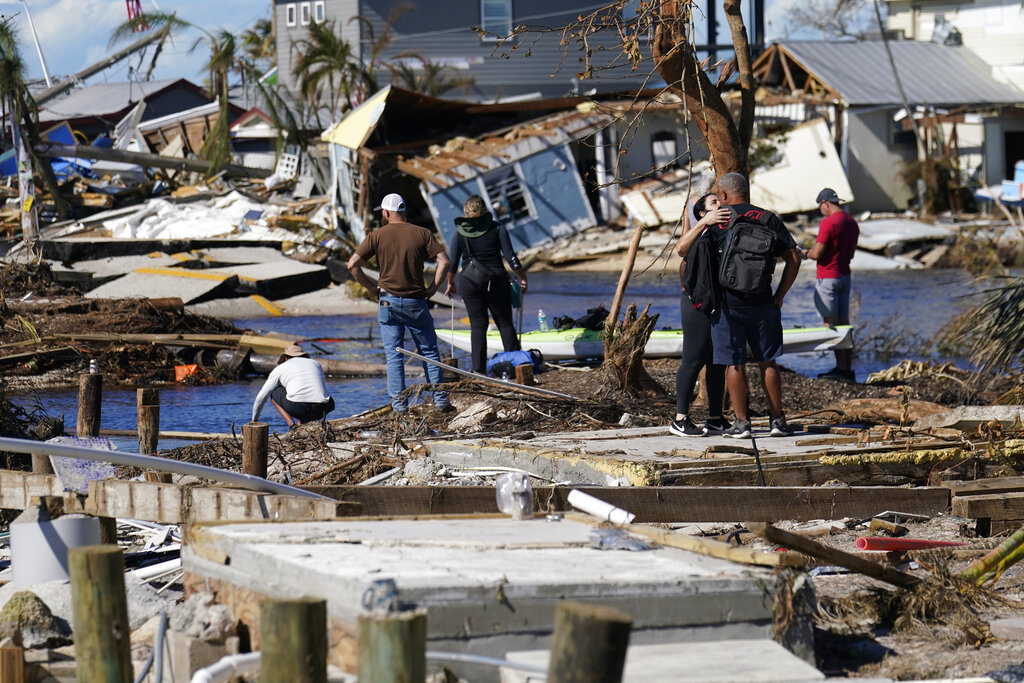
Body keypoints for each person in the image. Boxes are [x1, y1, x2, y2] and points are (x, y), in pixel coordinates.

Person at [709, 172, 801, 439]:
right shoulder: (768, 218)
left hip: (728, 304)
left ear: (723, 195)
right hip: (763, 302)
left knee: (734, 364)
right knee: (768, 362)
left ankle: (742, 424)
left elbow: (697, 259)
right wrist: (780, 295)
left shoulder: (720, 219)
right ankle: (777, 421)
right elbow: (794, 259)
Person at [347, 192, 452, 414]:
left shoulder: (376, 236)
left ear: (386, 213)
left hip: (388, 302)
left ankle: (399, 407)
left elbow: (352, 265)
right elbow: (444, 262)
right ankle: (440, 401)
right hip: (416, 301)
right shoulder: (423, 233)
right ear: (402, 211)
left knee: (394, 355)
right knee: (429, 352)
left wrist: (371, 287)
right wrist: (433, 288)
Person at [444, 195, 529, 375]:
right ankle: (516, 367)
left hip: (468, 282)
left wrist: (450, 283)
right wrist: (522, 278)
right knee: (504, 323)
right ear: (484, 210)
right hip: (495, 280)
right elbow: (511, 257)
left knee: (478, 326)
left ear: (466, 212)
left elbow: (452, 264)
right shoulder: (498, 228)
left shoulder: (459, 233)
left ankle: (479, 371)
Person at [669, 192, 731, 436]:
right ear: (703, 213)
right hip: (695, 305)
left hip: (717, 304)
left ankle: (715, 418)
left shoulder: (720, 231)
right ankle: (680, 419)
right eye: (714, 202)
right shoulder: (701, 232)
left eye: (720, 200)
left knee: (716, 363)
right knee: (692, 360)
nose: (720, 205)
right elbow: (680, 249)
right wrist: (700, 220)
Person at [804, 187, 859, 382]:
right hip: (845, 276)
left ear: (825, 203)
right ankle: (847, 369)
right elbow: (851, 253)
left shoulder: (828, 222)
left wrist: (804, 253)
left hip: (828, 277)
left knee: (831, 325)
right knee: (844, 323)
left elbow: (817, 253)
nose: (820, 210)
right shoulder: (852, 223)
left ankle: (840, 370)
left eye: (820, 206)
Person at [251, 344, 334, 429]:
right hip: (324, 407)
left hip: (299, 408)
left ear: (286, 358)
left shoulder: (280, 368)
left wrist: (254, 420)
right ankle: (302, 425)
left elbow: (262, 396)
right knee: (307, 394)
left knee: (274, 391)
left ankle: (292, 425)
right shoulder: (316, 363)